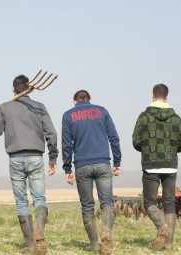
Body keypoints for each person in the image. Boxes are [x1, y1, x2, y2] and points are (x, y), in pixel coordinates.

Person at [0, 75, 58, 255]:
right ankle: (40, 231)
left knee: (21, 202)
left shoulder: (5, 107)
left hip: (15, 158)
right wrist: (52, 158)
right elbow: (51, 133)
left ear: (13, 89)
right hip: (36, 157)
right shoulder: (40, 107)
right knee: (39, 198)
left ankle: (30, 245)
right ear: (29, 88)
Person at [61, 90, 121, 255]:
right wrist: (117, 162)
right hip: (102, 163)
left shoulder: (68, 116)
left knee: (87, 205)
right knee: (107, 202)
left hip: (82, 166)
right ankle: (107, 231)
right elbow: (114, 138)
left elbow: (66, 144)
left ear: (74, 101)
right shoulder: (102, 111)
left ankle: (94, 243)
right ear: (90, 99)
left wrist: (67, 168)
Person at [132, 84, 181, 251]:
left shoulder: (143, 117)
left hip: (150, 165)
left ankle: (162, 227)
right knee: (169, 203)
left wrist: (148, 150)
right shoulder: (176, 118)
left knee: (149, 202)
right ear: (166, 97)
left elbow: (136, 141)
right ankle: (168, 244)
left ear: (152, 96)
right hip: (170, 166)